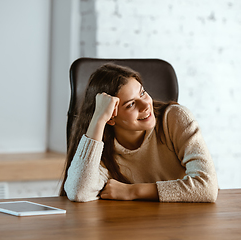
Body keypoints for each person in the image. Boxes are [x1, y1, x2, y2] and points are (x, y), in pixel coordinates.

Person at [60, 63, 218, 202]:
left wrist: (133, 191)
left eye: (142, 93)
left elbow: (207, 187)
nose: (145, 105)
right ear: (111, 119)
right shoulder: (102, 147)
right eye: (131, 104)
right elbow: (79, 192)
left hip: (182, 223)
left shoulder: (175, 118)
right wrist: (98, 120)